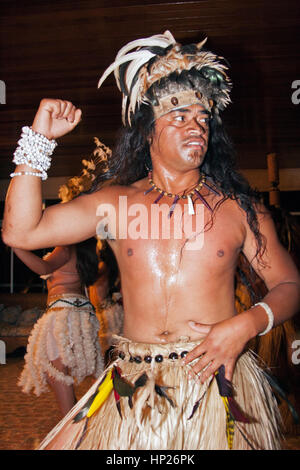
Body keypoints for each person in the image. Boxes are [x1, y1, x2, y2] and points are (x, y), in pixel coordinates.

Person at [2, 31, 300, 450]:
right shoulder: (116, 204)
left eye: (202, 117)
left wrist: (246, 325)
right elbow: (20, 231)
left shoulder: (238, 210)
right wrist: (39, 140)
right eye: (179, 117)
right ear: (147, 131)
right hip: (133, 386)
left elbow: (289, 285)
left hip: (213, 384)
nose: (195, 127)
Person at [13, 240, 104, 417]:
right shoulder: (84, 251)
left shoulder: (66, 248)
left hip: (64, 314)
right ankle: (77, 417)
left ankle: (70, 426)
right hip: (79, 311)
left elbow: (43, 268)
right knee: (53, 372)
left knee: (57, 372)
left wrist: (17, 246)